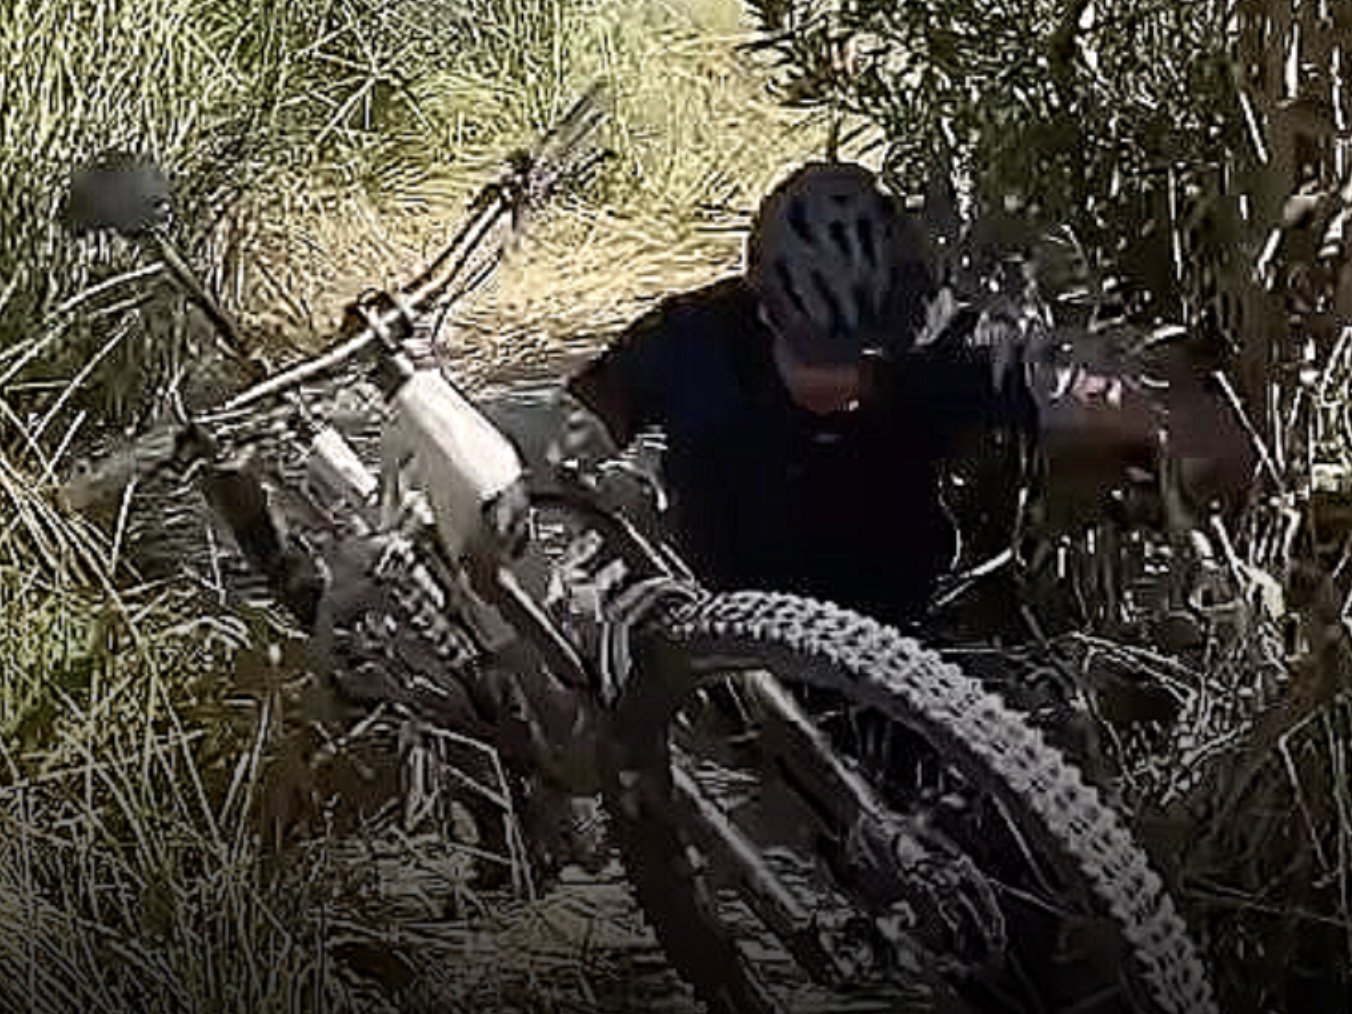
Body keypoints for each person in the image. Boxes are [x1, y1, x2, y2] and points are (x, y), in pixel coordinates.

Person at [560, 160, 1158, 629]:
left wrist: (1162, 432)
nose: (845, 387)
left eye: (865, 364)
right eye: (821, 360)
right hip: (720, 634)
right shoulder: (698, 338)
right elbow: (576, 423)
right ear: (765, 316)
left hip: (895, 647)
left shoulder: (939, 349)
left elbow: (1081, 390)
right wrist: (559, 475)